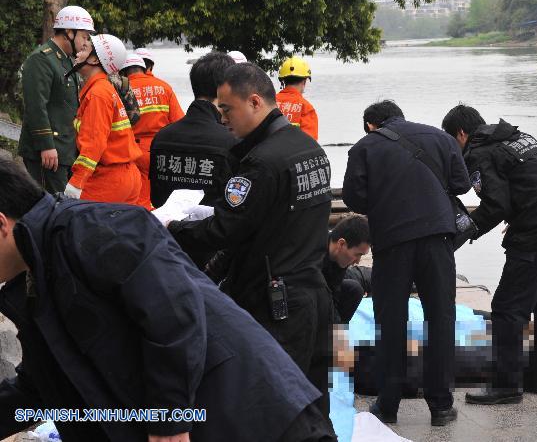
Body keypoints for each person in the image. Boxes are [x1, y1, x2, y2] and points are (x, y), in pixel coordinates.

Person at [0, 157, 335, 442]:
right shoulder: (33, 281)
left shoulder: (90, 228)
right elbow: (43, 383)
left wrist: (168, 417)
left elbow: (173, 312)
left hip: (249, 415)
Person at [167, 63, 334, 419]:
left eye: (227, 109)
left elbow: (226, 230)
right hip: (314, 293)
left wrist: (174, 229)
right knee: (315, 402)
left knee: (272, 402)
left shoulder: (261, 163)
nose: (223, 119)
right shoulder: (310, 148)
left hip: (276, 301)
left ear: (255, 102)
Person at [440, 105, 537, 405]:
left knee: (508, 308)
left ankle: (506, 386)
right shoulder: (515, 137)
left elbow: (496, 205)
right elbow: (528, 186)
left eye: (450, 141)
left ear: (461, 133)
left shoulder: (478, 152)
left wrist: (464, 232)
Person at [342, 100, 470, 427]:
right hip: (438, 239)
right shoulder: (441, 139)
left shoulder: (365, 147)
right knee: (440, 319)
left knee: (391, 321)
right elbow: (462, 185)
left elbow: (354, 198)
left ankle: (388, 406)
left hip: (392, 242)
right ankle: (441, 407)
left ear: (372, 125)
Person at [149, 51, 237, 214]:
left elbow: (156, 197)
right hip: (212, 235)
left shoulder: (162, 137)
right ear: (224, 88)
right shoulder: (231, 141)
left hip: (166, 235)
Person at [17, 5, 93, 193]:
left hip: (65, 152)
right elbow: (36, 106)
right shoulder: (42, 59)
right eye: (84, 36)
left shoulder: (66, 60)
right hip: (48, 153)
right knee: (48, 209)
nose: (85, 43)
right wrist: (46, 145)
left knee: (62, 209)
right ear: (69, 32)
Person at [65, 34, 142, 204]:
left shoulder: (97, 94)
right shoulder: (104, 89)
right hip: (125, 176)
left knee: (79, 226)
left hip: (108, 180)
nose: (77, 53)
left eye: (84, 49)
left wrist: (77, 181)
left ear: (93, 60)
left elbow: (94, 142)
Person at [121, 53, 185, 209]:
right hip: (161, 149)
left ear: (123, 72)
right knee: (159, 198)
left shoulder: (121, 90)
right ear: (145, 69)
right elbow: (179, 122)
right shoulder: (163, 87)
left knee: (137, 198)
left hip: (132, 149)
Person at [323, 214, 371, 323]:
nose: (357, 261)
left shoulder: (339, 259)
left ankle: (334, 336)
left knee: (354, 289)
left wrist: (338, 333)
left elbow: (333, 298)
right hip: (301, 297)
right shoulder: (313, 254)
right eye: (357, 254)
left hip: (322, 293)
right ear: (341, 244)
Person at [276, 57, 319, 140]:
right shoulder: (306, 107)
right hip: (296, 152)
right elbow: (310, 143)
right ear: (304, 81)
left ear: (283, 81)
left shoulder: (269, 102)